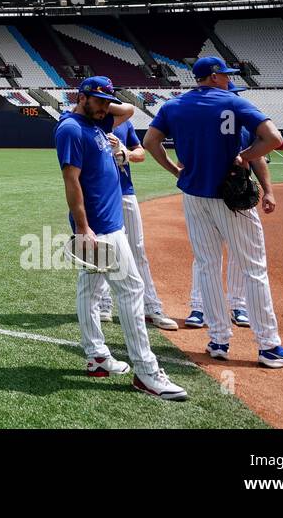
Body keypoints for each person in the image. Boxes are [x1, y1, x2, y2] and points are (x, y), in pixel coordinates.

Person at [143, 57, 283, 369]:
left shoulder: (173, 106)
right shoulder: (232, 101)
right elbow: (274, 138)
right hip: (230, 197)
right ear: (214, 77)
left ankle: (218, 340)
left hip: (193, 195)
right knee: (253, 269)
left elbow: (150, 142)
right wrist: (245, 156)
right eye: (225, 75)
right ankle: (268, 346)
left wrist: (175, 170)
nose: (228, 80)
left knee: (207, 265)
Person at [57, 77, 187, 400]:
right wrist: (83, 228)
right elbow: (71, 182)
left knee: (89, 288)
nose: (105, 107)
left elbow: (127, 109)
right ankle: (146, 372)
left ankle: (97, 356)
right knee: (131, 290)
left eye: (107, 101)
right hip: (101, 228)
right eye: (98, 101)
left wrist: (104, 104)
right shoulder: (72, 129)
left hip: (108, 224)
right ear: (81, 97)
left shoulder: (97, 121)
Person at [91, 114, 180, 331]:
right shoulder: (84, 124)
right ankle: (103, 304)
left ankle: (151, 307)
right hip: (99, 195)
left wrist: (126, 153)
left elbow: (140, 152)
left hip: (125, 192)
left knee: (137, 249)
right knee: (101, 249)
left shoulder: (124, 123)